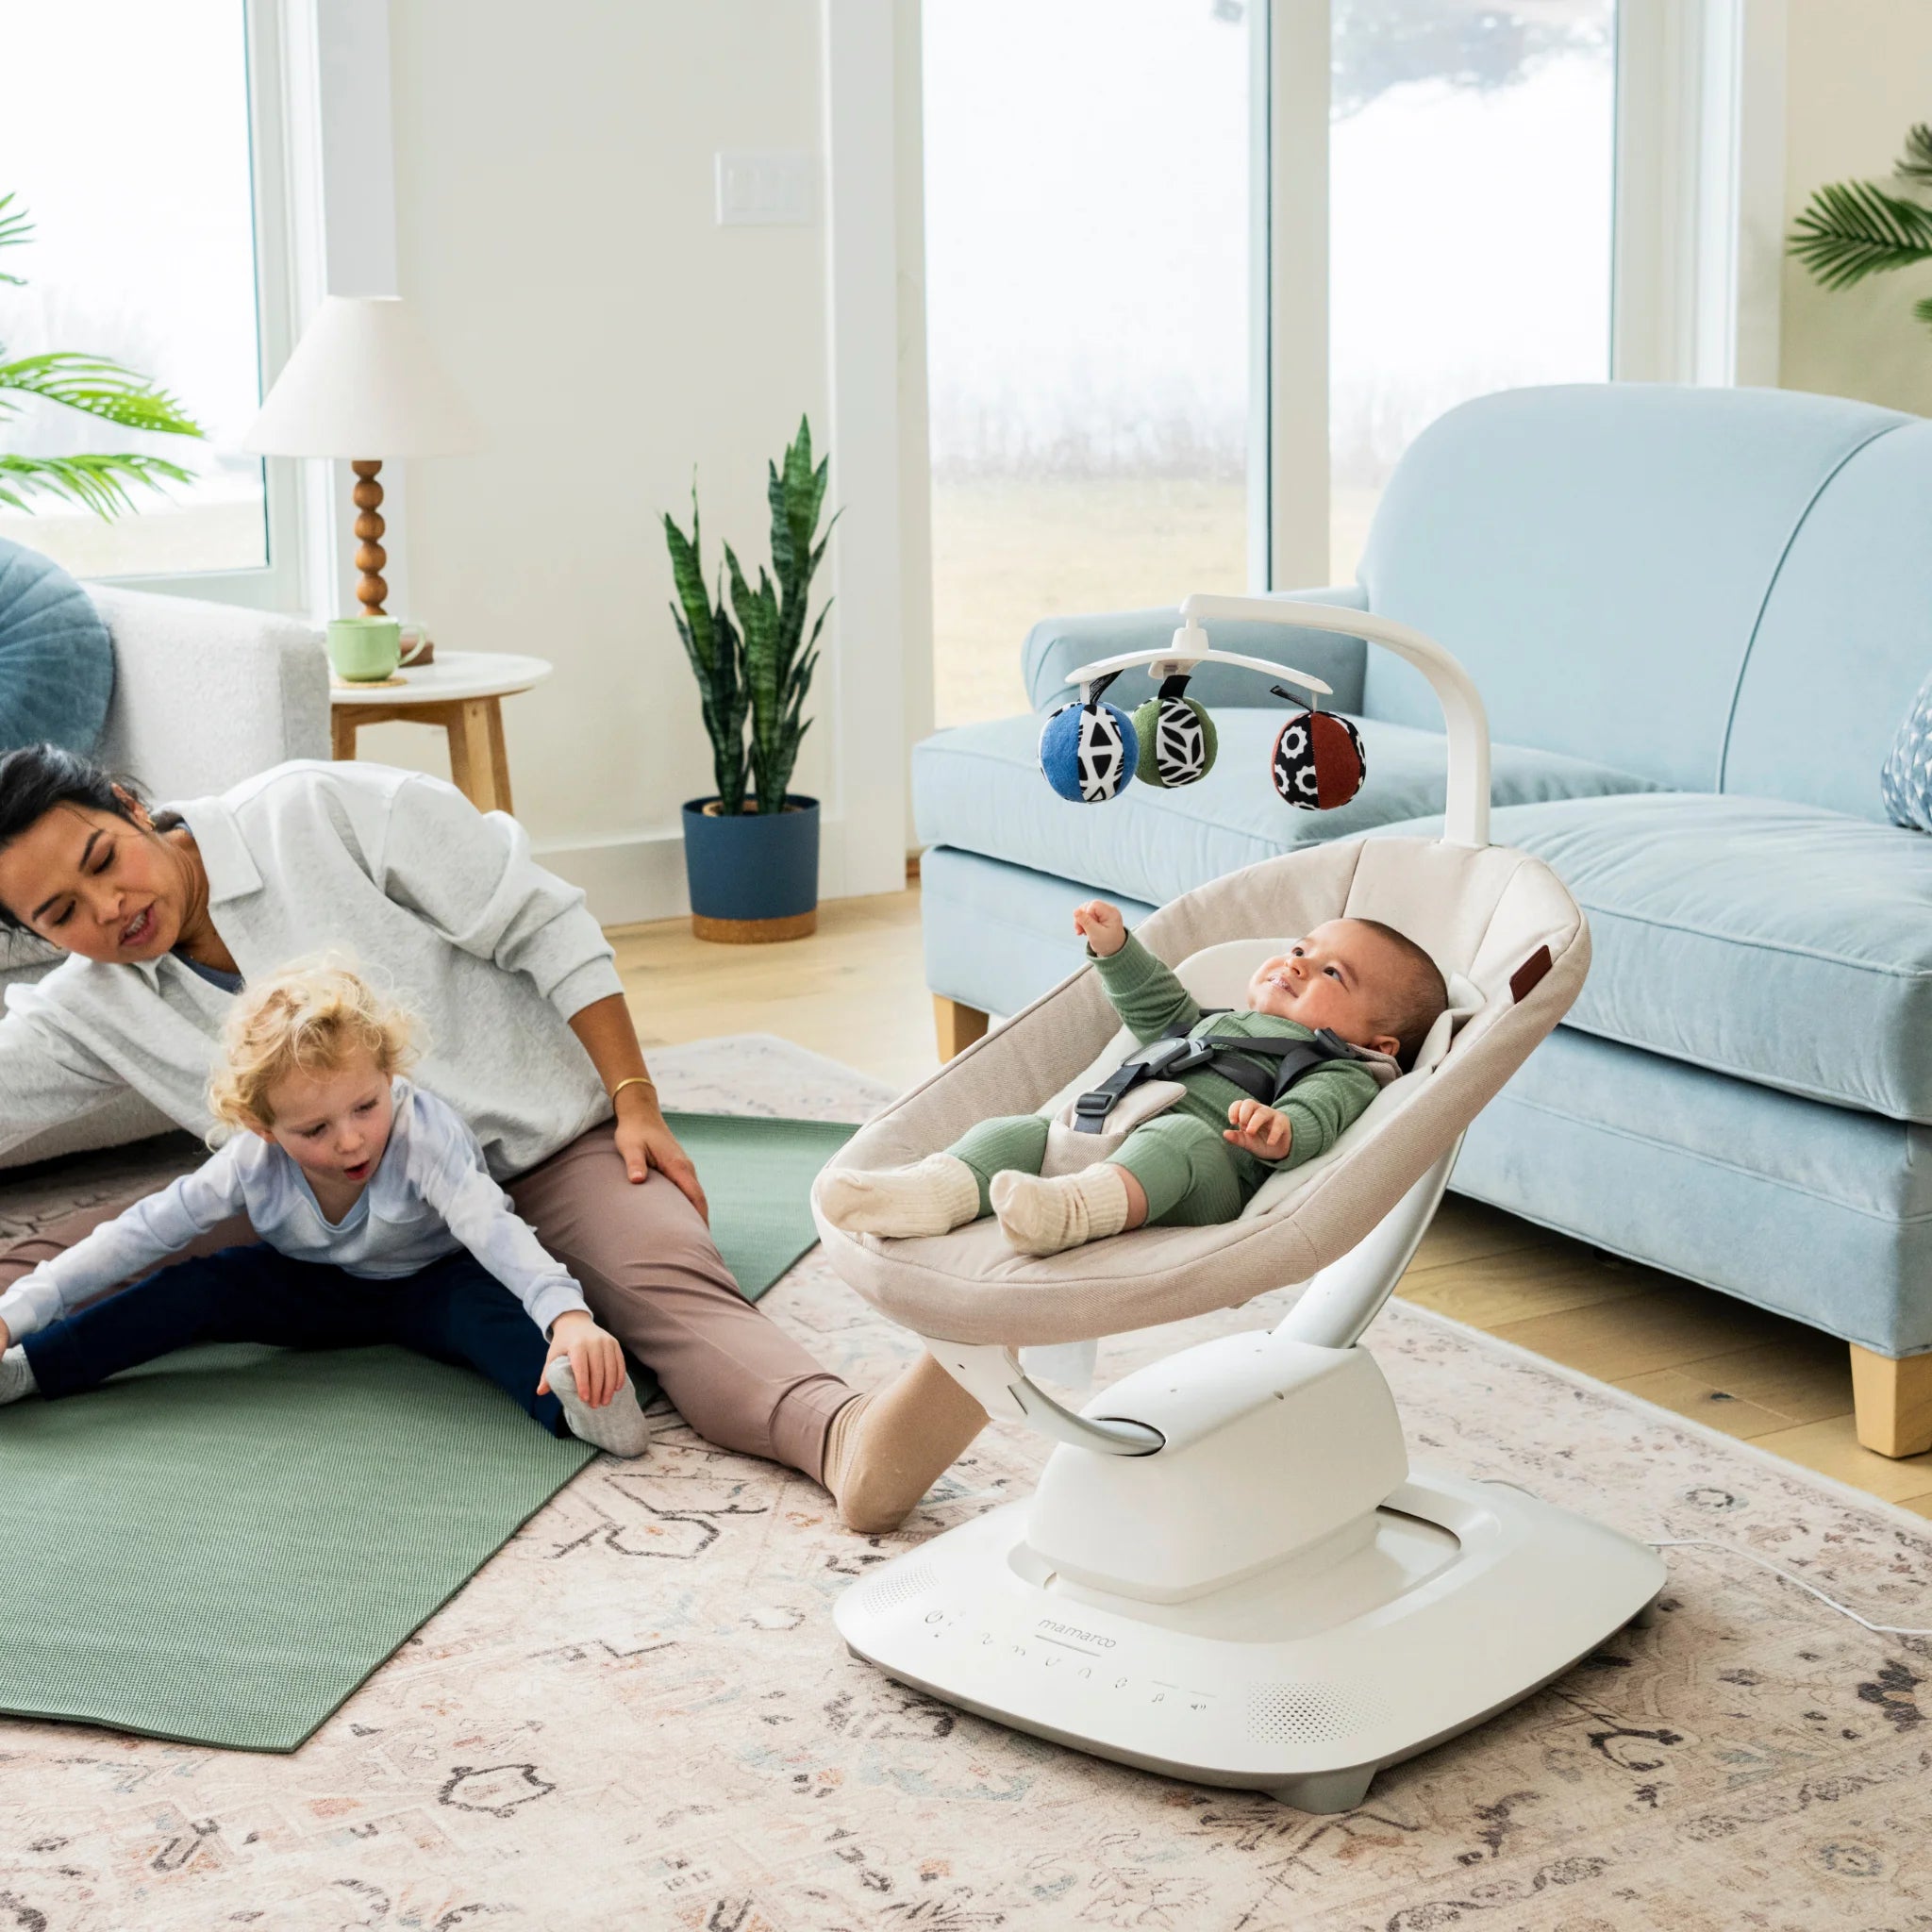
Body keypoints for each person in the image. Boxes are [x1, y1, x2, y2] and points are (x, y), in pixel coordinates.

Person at [0, 745, 984, 1531]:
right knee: (84, 1260)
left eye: (103, 861)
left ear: (131, 806)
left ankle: (848, 1438)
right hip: (325, 1214)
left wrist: (634, 1097)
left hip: (544, 1154)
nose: (110, 909)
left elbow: (543, 921)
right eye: (62, 914)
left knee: (660, 1287)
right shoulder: (93, 1003)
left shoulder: (316, 810)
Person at [0, 958, 653, 1454]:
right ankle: (31, 1368)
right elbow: (141, 1233)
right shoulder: (251, 1158)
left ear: (390, 1076)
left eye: (366, 1106)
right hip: (314, 1285)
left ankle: (580, 1407)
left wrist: (567, 1317)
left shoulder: (421, 1131)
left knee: (494, 1322)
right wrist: (14, 1315)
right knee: (195, 1286)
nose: (350, 1139)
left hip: (436, 1280)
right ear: (262, 1128)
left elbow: (494, 1228)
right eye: (313, 1131)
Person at [820, 898, 1446, 1256]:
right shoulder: (1217, 1020)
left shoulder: (1342, 1067)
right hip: (1102, 1128)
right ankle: (929, 1194)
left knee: (1177, 1142)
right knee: (1017, 1132)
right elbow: (1159, 1011)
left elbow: (1320, 1112)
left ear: (1378, 1040)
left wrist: (1278, 1131)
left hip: (1207, 1176)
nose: (1299, 966)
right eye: (1303, 950)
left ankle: (1070, 1214)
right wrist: (1117, 950)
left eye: (1334, 975)